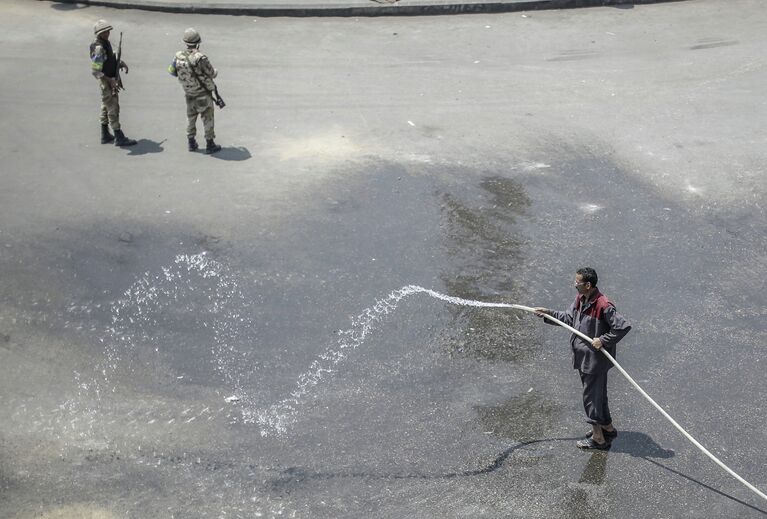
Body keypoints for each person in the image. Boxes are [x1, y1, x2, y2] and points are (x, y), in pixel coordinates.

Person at [535, 267, 631, 450]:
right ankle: (607, 427)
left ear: (588, 285)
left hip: (594, 362)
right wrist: (547, 313)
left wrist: (603, 340)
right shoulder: (581, 299)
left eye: (577, 282)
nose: (574, 285)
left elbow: (623, 327)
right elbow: (568, 318)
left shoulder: (603, 305)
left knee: (591, 398)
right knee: (598, 395)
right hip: (584, 359)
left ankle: (598, 439)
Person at [168, 28, 222, 154]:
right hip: (202, 94)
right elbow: (212, 73)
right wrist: (216, 71)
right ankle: (210, 144)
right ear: (198, 42)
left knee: (190, 117)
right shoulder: (200, 58)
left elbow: (171, 71)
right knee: (207, 118)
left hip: (189, 93)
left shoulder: (178, 56)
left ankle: (191, 142)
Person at [90, 19, 137, 147]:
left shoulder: (105, 44)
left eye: (107, 31)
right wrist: (110, 80)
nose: (107, 34)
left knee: (105, 106)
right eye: (104, 32)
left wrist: (119, 63)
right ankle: (118, 136)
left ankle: (105, 134)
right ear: (99, 33)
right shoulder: (99, 48)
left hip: (109, 79)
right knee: (113, 108)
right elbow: (95, 70)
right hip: (106, 82)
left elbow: (109, 60)